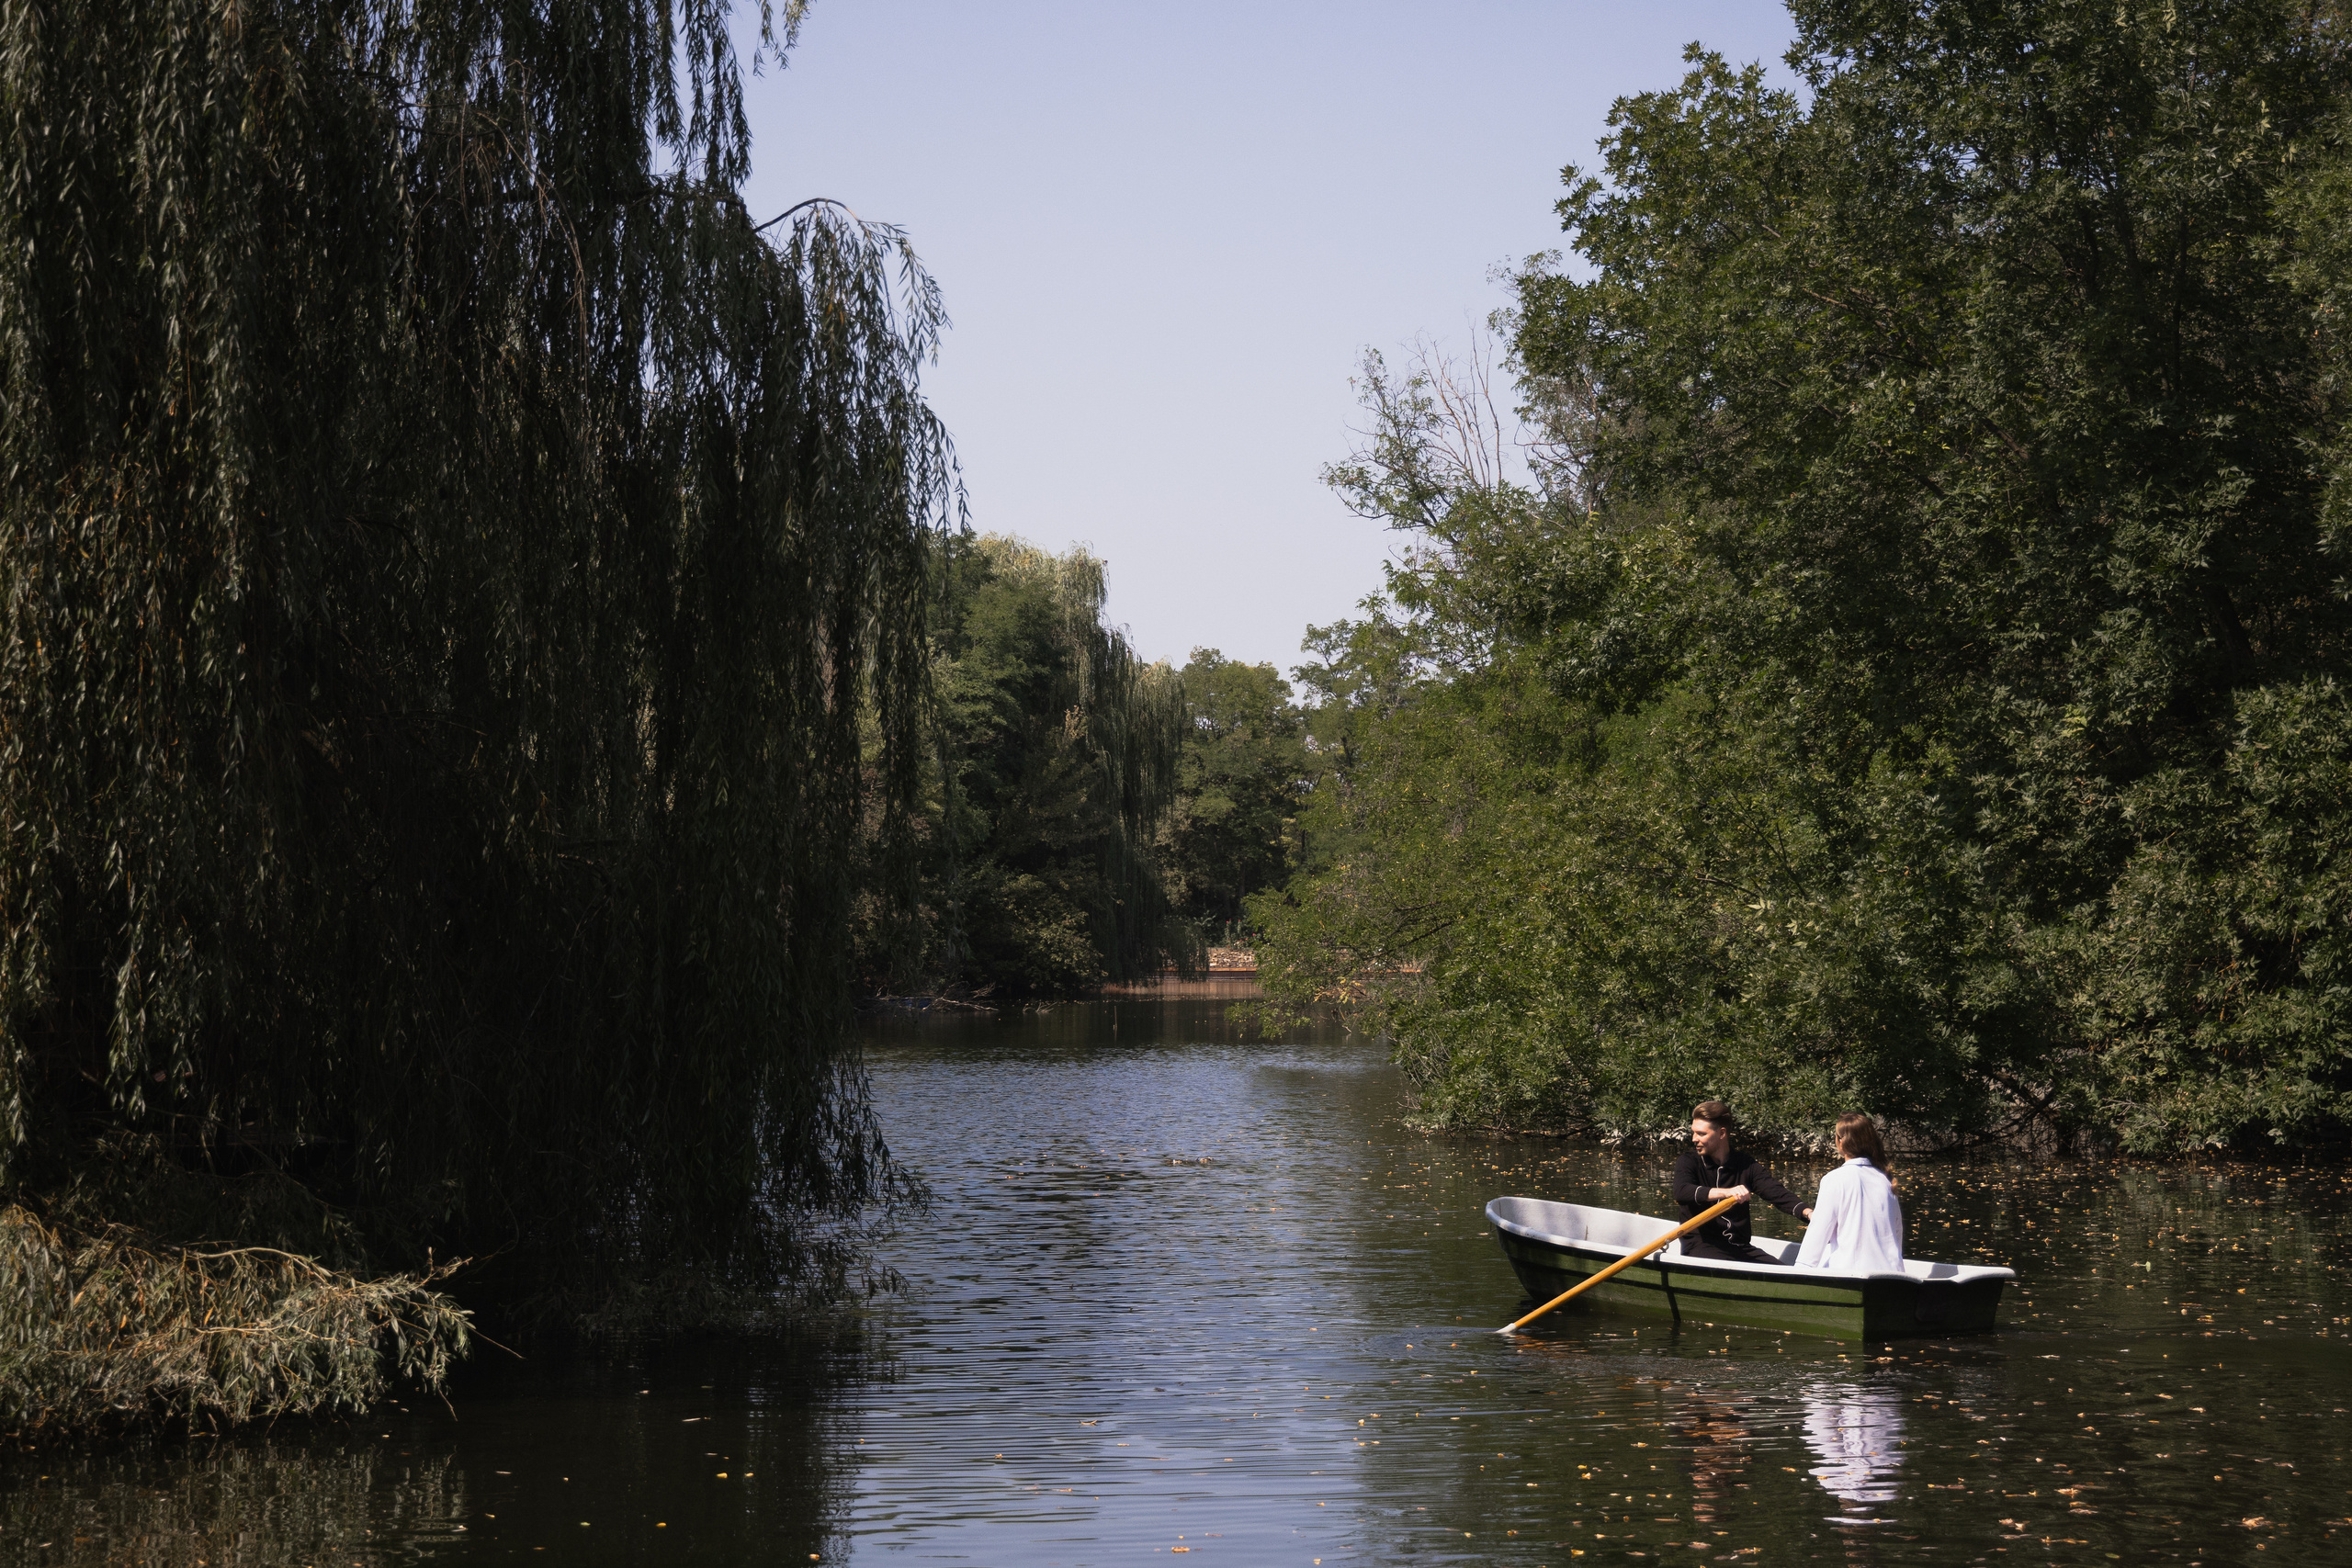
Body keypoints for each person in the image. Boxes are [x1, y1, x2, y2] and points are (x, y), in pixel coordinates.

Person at [1671, 1100, 1812, 1264]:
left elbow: (1776, 1193)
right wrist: (1727, 1192)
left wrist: (1809, 1213)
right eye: (1694, 1132)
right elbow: (1682, 1191)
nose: (1694, 1139)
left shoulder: (1745, 1165)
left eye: (1701, 1134)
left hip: (1740, 1247)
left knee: (1785, 1271)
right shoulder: (1688, 1161)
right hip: (1701, 1246)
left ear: (1722, 1133)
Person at [1793, 1112, 1905, 1273]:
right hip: (1892, 1274)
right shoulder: (1886, 1180)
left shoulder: (1834, 1180)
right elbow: (1897, 1235)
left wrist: (1799, 1270)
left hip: (1851, 1273)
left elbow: (1817, 1234)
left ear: (1841, 1142)